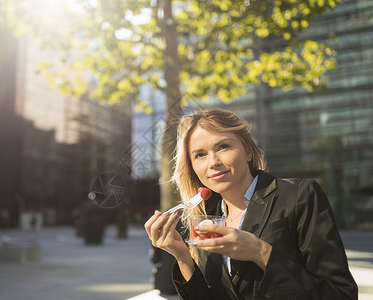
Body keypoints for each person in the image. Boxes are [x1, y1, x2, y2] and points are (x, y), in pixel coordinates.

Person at [144, 108, 357, 299]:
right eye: (200, 155)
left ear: (247, 150)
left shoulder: (298, 195)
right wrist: (182, 257)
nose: (213, 162)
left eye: (223, 146)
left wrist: (260, 252)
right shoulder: (205, 218)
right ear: (192, 167)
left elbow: (341, 294)